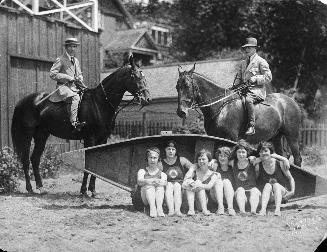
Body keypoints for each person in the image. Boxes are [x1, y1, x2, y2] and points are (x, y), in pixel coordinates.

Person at [234, 37, 272, 135]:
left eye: (249, 48)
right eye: (245, 48)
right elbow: (239, 77)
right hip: (243, 90)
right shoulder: (242, 63)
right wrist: (234, 86)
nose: (246, 50)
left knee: (248, 100)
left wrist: (256, 78)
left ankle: (251, 125)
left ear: (255, 48)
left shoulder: (261, 61)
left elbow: (268, 77)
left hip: (256, 91)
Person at [49, 37, 88, 131]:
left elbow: (78, 74)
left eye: (74, 46)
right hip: (63, 87)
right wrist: (68, 78)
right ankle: (74, 123)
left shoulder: (76, 61)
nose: (72, 49)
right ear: (66, 47)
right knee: (76, 97)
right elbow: (52, 74)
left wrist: (79, 77)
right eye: (70, 46)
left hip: (75, 86)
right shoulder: (61, 59)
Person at [255, 142, 295, 216]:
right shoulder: (258, 166)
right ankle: (263, 210)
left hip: (282, 193)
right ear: (259, 154)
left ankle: (277, 210)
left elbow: (290, 178)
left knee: (276, 185)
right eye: (261, 152)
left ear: (271, 152)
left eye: (266, 151)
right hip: (268, 195)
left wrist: (292, 191)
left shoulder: (280, 164)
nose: (263, 153)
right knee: (268, 185)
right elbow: (255, 180)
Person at [183, 149, 224, 216]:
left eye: (203, 159)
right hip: (198, 202)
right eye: (199, 159)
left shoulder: (214, 174)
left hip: (211, 201)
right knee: (190, 182)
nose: (201, 161)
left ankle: (220, 207)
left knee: (216, 181)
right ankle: (191, 210)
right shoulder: (194, 171)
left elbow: (209, 186)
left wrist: (199, 185)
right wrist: (192, 169)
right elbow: (184, 183)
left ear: (209, 161)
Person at [162, 140, 193, 216]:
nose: (171, 151)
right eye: (168, 149)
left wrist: (188, 176)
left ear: (176, 151)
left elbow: (194, 167)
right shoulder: (161, 162)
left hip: (181, 186)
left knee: (176, 185)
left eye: (173, 149)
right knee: (169, 185)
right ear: (165, 150)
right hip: (167, 187)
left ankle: (177, 210)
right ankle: (171, 210)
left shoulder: (181, 160)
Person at [230, 139, 261, 215]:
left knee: (254, 190)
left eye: (243, 152)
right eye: (239, 152)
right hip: (241, 197)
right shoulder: (233, 163)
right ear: (236, 153)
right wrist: (213, 161)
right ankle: (242, 211)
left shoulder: (252, 162)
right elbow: (221, 160)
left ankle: (253, 211)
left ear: (247, 153)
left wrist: (284, 159)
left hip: (254, 196)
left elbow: (267, 156)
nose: (241, 154)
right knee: (240, 189)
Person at [137, 147, 167, 218]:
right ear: (147, 158)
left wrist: (158, 182)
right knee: (149, 186)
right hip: (145, 199)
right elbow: (139, 181)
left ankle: (159, 209)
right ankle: (152, 208)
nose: (152, 160)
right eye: (150, 157)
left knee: (160, 186)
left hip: (157, 198)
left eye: (155, 158)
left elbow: (165, 183)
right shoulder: (142, 171)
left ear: (158, 159)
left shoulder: (162, 174)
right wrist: (149, 180)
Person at [211, 147, 236, 216]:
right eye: (220, 156)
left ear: (229, 157)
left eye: (225, 156)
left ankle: (230, 208)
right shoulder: (215, 166)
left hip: (229, 196)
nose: (222, 158)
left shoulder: (233, 168)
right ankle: (220, 207)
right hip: (216, 195)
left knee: (226, 181)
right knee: (219, 181)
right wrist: (213, 161)